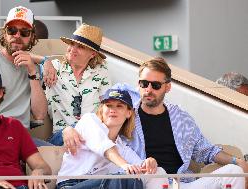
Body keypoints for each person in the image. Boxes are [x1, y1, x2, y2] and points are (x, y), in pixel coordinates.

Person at [63, 57, 247, 188]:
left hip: (183, 183)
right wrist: (68, 129)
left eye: (156, 85)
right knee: (157, 173)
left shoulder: (181, 118)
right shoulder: (126, 114)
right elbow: (95, 127)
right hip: (149, 181)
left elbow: (206, 150)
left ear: (167, 87)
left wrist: (236, 160)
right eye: (144, 84)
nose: (148, 89)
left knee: (233, 171)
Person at [57, 88, 168, 189]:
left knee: (157, 172)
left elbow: (141, 168)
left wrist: (150, 163)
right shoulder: (89, 121)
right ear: (101, 109)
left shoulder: (121, 146)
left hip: (100, 184)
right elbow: (106, 148)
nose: (112, 110)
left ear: (129, 113)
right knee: (122, 178)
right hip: (70, 185)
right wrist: (125, 165)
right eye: (108, 105)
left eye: (119, 106)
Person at [40, 23, 111, 145]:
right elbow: (25, 56)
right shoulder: (55, 67)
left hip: (90, 137)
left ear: (93, 54)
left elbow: (108, 107)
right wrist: (45, 61)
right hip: (61, 136)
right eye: (72, 44)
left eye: (80, 47)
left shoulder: (101, 73)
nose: (73, 49)